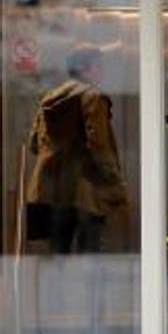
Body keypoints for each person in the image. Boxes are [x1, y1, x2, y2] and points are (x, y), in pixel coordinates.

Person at [26, 44, 130, 253]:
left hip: (50, 192)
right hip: (85, 192)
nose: (101, 71)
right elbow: (99, 145)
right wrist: (115, 188)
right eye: (98, 66)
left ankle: (60, 288)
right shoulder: (92, 97)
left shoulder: (50, 98)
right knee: (90, 260)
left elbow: (34, 144)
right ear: (85, 68)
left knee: (58, 257)